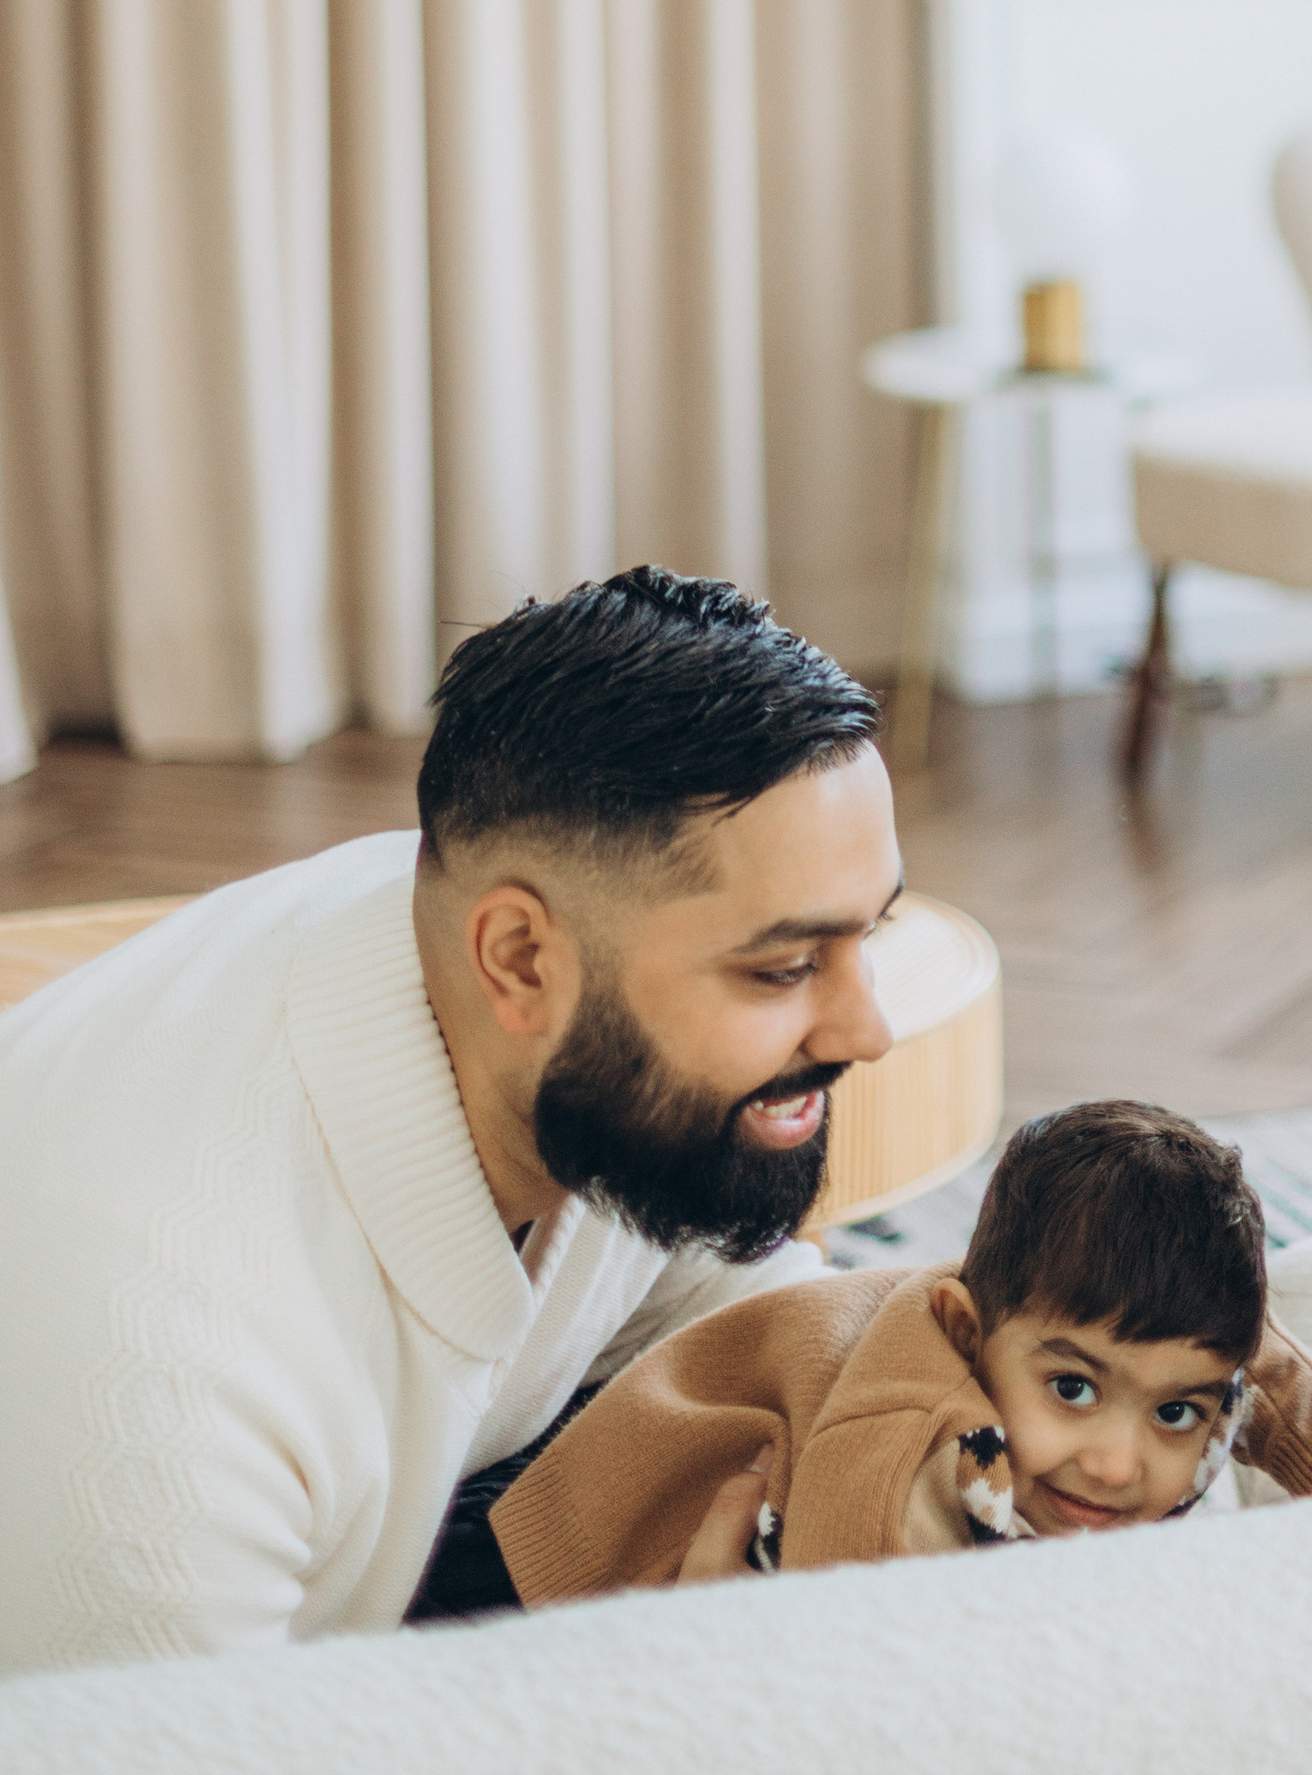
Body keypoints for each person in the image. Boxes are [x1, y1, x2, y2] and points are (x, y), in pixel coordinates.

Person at [0, 565, 904, 1672]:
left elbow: (733, 1298)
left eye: (871, 936)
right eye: (784, 968)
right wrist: (665, 1696)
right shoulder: (165, 1393)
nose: (870, 1030)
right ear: (519, 959)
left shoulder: (573, 1050)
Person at [485, 1098, 1312, 1596]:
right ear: (966, 1332)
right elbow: (859, 1671)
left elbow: (1260, 1363)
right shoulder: (908, 1439)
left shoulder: (1137, 1340)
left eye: (1173, 1414)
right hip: (563, 1559)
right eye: (1073, 1391)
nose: (1121, 1464)